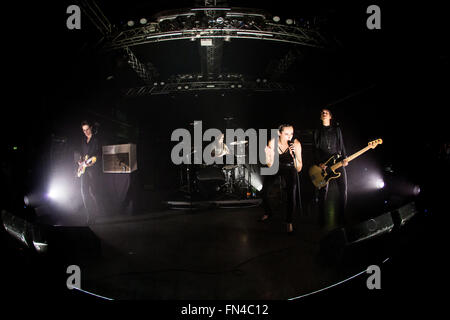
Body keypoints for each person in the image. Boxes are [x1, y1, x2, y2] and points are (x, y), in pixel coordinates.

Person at [260, 124, 302, 233]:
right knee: (264, 191)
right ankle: (268, 212)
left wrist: (294, 157)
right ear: (279, 133)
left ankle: (289, 221)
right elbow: (270, 165)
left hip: (290, 168)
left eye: (291, 134)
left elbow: (299, 168)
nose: (289, 137)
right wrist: (267, 156)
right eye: (286, 134)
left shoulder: (296, 144)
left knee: (291, 193)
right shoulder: (272, 143)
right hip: (276, 166)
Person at [313, 108, 348, 228]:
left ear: (330, 116)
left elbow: (342, 145)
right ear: (320, 117)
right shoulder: (317, 131)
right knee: (323, 193)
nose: (324, 113)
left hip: (337, 162)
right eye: (322, 112)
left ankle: (342, 218)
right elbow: (315, 149)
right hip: (324, 164)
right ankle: (321, 220)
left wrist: (345, 158)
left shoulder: (337, 130)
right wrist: (319, 163)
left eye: (326, 112)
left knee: (343, 190)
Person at [78, 120, 102, 225]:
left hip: (93, 170)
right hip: (84, 170)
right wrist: (81, 161)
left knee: (94, 192)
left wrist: (92, 161)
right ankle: (90, 215)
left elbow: (99, 155)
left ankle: (98, 213)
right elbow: (82, 155)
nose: (86, 132)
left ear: (91, 128)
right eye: (84, 130)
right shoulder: (83, 141)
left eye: (87, 129)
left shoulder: (96, 140)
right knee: (84, 192)